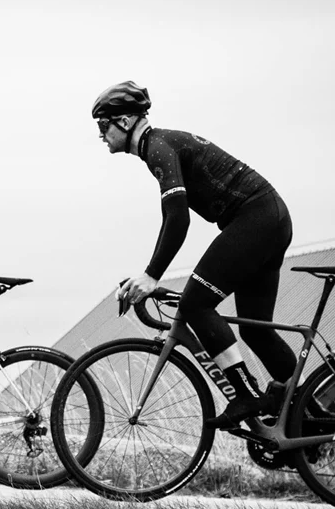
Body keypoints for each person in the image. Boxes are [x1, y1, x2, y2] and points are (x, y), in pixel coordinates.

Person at [91, 81, 296, 429]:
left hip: (257, 218)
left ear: (124, 122)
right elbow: (171, 216)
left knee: (195, 304)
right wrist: (150, 273)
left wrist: (152, 275)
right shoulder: (160, 146)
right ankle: (306, 410)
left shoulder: (158, 147)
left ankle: (246, 394)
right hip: (269, 218)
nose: (100, 135)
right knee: (255, 330)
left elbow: (178, 217)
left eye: (103, 125)